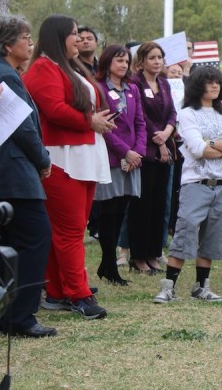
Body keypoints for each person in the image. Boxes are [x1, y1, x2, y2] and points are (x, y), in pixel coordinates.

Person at [23, 14, 114, 319]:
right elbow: (54, 109)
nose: (79, 39)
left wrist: (97, 120)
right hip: (62, 157)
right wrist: (90, 121)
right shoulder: (42, 68)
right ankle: (79, 294)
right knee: (70, 231)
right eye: (74, 34)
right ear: (58, 36)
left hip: (82, 154)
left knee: (66, 229)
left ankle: (59, 290)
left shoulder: (67, 66)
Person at [0, 16, 51, 336]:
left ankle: (2, 316)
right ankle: (21, 318)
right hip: (13, 174)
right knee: (35, 238)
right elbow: (24, 127)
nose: (30, 42)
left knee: (9, 243)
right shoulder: (3, 74)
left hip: (1, 175)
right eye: (25, 37)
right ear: (8, 45)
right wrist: (43, 158)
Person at [154, 66, 222, 303]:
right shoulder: (187, 113)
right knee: (186, 230)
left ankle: (202, 286)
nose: (215, 86)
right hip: (196, 183)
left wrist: (213, 142)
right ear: (197, 85)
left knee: (214, 234)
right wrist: (221, 146)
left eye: (217, 82)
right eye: (209, 82)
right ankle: (168, 286)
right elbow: (198, 148)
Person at [93, 45, 146, 286]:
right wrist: (125, 152)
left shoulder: (132, 89)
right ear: (107, 62)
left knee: (121, 210)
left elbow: (140, 123)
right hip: (112, 157)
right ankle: (109, 263)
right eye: (118, 60)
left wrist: (138, 153)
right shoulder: (99, 89)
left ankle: (107, 265)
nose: (123, 65)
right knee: (108, 213)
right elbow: (103, 129)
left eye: (126, 61)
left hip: (132, 160)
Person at [129, 42, 177, 274]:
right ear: (142, 61)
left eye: (160, 57)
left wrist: (167, 133)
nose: (157, 62)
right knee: (142, 206)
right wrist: (158, 139)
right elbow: (140, 115)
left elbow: (172, 113)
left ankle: (153, 253)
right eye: (152, 58)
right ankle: (138, 256)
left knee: (160, 205)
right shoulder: (135, 83)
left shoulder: (164, 83)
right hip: (144, 149)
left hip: (164, 148)